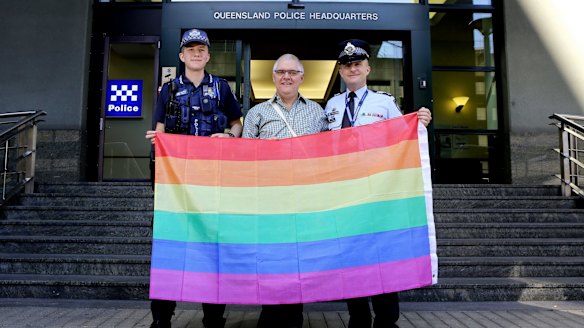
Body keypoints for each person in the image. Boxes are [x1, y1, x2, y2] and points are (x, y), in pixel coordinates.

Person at [324, 39, 432, 328]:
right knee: (352, 257)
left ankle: (387, 319)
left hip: (377, 192)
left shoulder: (384, 102)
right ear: (341, 71)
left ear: (368, 68)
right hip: (344, 192)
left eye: (357, 64)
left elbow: (402, 137)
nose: (352, 69)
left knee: (381, 256)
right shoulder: (332, 106)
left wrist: (419, 121)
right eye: (347, 65)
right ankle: (358, 318)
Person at [145, 28, 243, 328]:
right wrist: (158, 142)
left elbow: (237, 123)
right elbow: (159, 128)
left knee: (212, 251)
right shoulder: (168, 90)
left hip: (213, 183)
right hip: (176, 186)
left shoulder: (222, 88)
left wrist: (227, 136)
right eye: (191, 49)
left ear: (209, 55)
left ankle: (214, 318)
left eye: (202, 50)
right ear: (181, 55)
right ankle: (162, 319)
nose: (196, 54)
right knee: (169, 250)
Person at [242, 53, 328, 328]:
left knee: (297, 257)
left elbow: (328, 154)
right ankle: (269, 313)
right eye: (281, 72)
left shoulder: (317, 112)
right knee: (271, 257)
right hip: (270, 199)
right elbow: (245, 157)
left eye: (292, 72)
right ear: (274, 77)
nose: (287, 76)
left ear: (302, 77)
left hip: (304, 199)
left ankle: (294, 314)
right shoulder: (257, 113)